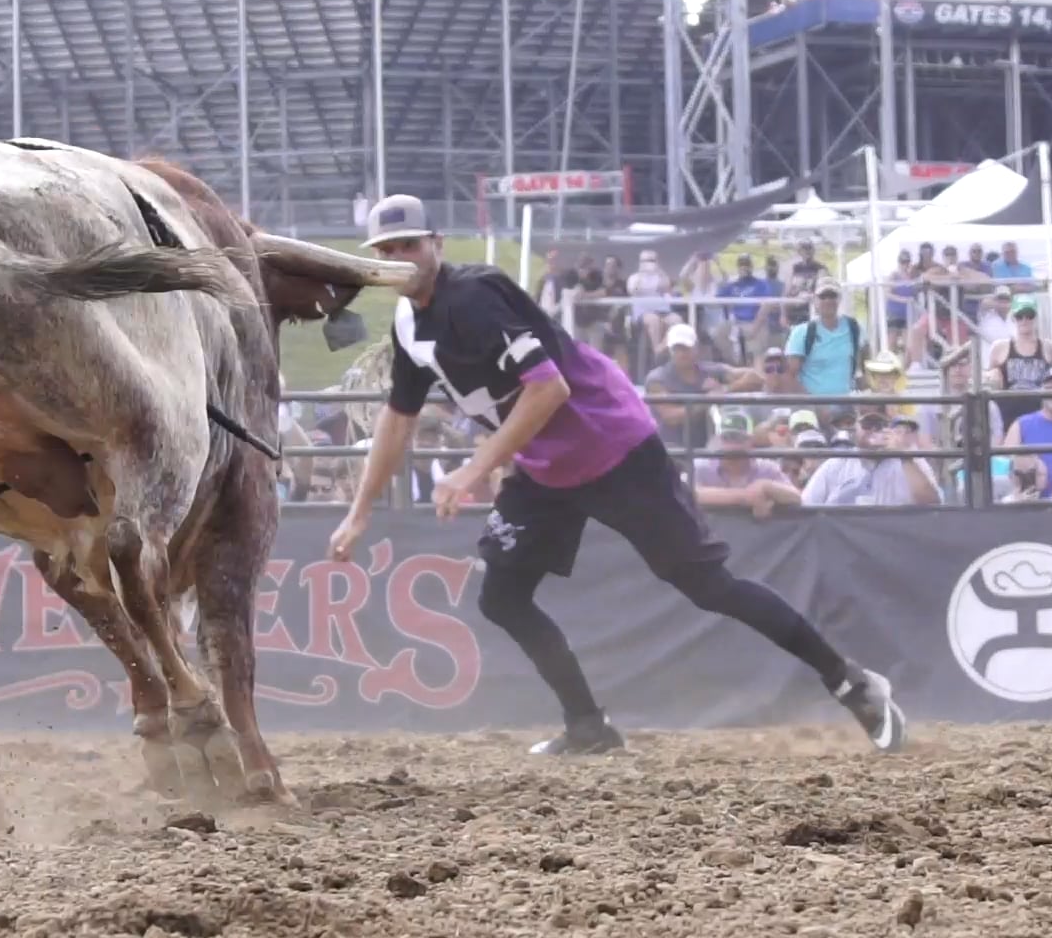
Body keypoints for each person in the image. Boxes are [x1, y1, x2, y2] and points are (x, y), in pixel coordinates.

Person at [326, 194, 907, 756]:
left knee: (707, 585)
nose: (398, 258)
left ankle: (853, 682)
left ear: (436, 244)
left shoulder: (475, 296)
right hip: (545, 462)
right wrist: (359, 512)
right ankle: (588, 726)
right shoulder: (408, 321)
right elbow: (398, 419)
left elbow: (549, 389)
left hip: (612, 446)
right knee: (502, 595)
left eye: (409, 244)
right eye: (386, 249)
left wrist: (474, 468)